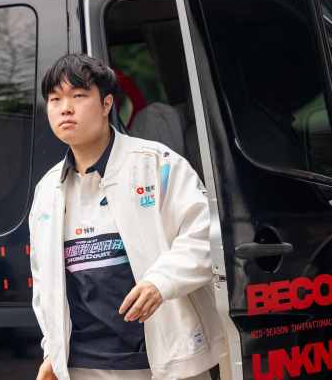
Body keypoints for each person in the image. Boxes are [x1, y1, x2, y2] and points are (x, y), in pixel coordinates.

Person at [29, 54, 225, 380]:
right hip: (83, 365)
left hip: (159, 360)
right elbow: (43, 282)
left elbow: (205, 233)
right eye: (55, 99)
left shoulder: (157, 164)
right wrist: (53, 351)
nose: (65, 108)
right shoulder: (48, 190)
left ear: (107, 104)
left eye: (78, 96)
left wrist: (160, 282)